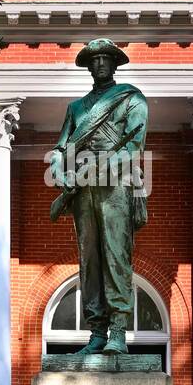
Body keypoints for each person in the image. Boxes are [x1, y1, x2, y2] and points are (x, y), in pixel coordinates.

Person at [49, 38, 149, 356]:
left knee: (116, 256)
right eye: (94, 60)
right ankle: (96, 332)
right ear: (88, 66)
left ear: (115, 63)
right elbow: (61, 149)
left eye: (106, 58)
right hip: (82, 191)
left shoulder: (131, 99)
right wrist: (63, 176)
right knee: (89, 260)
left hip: (116, 187)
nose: (100, 64)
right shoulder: (76, 109)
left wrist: (95, 170)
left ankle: (118, 330)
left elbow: (134, 147)